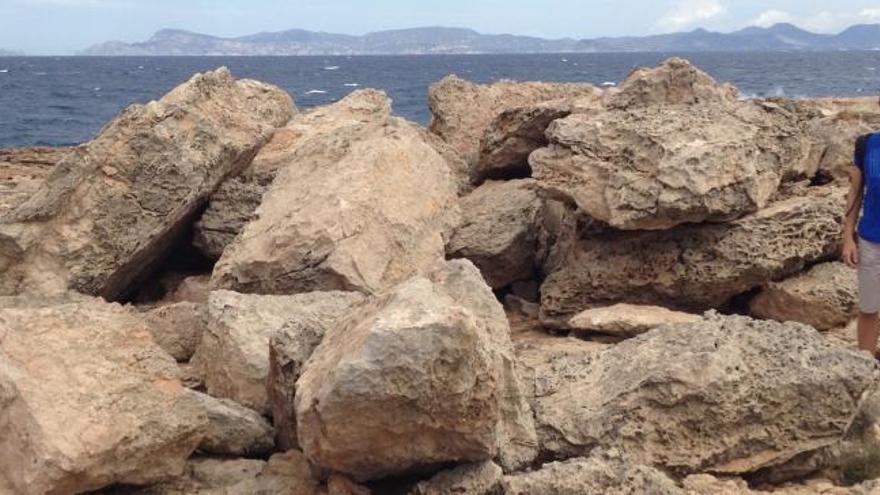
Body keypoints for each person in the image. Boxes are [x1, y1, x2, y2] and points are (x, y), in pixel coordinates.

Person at [843, 131, 880, 356]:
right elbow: (855, 193)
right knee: (868, 308)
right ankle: (865, 366)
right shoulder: (866, 145)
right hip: (870, 243)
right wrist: (848, 238)